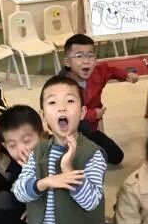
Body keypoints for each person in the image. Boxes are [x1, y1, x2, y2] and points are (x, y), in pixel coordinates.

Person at [12, 76, 107, 224]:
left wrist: (67, 168)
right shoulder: (38, 151)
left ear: (82, 112)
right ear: (44, 115)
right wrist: (44, 183)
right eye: (53, 102)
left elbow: (91, 201)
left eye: (70, 101)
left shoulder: (93, 154)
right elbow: (19, 191)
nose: (62, 108)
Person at [59, 34, 138, 165]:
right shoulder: (60, 85)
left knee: (117, 156)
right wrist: (94, 114)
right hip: (69, 131)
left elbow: (111, 70)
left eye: (90, 56)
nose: (86, 61)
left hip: (91, 130)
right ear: (67, 62)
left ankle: (87, 150)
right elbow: (66, 114)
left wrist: (126, 74)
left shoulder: (98, 72)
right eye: (79, 56)